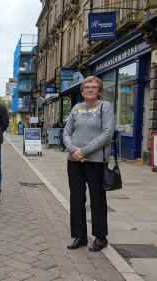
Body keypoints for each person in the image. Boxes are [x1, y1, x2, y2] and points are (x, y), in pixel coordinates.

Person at [63, 76, 115, 252]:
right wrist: (73, 151)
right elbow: (67, 132)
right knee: (77, 198)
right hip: (74, 161)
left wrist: (83, 152)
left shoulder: (105, 107)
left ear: (99, 90)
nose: (90, 90)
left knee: (97, 199)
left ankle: (101, 238)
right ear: (82, 90)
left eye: (94, 87)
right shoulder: (76, 108)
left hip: (95, 161)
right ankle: (80, 236)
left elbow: (107, 134)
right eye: (87, 87)